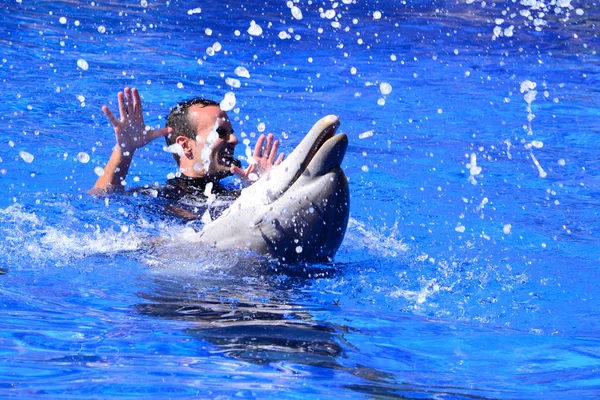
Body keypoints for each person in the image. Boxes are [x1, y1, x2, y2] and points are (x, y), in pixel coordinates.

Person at [91, 87, 284, 213]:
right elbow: (101, 199)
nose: (234, 139)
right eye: (221, 133)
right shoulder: (162, 197)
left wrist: (265, 188)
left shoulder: (238, 194)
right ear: (185, 145)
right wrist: (125, 150)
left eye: (231, 133)